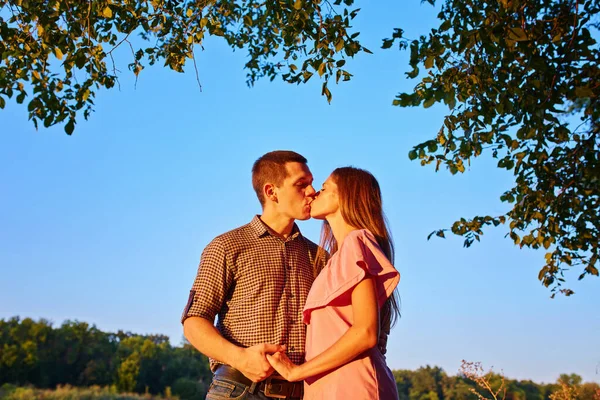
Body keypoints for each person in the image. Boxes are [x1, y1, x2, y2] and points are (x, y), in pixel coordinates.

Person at [181, 150, 326, 400]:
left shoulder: (320, 257)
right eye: (301, 184)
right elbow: (194, 322)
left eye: (312, 182)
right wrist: (240, 358)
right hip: (238, 390)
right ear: (271, 192)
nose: (312, 191)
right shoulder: (227, 246)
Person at [266, 166, 401, 399]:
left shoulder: (357, 243)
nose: (314, 194)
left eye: (324, 188)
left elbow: (366, 332)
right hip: (328, 388)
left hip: (353, 386)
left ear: (345, 196)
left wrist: (296, 372)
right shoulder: (334, 258)